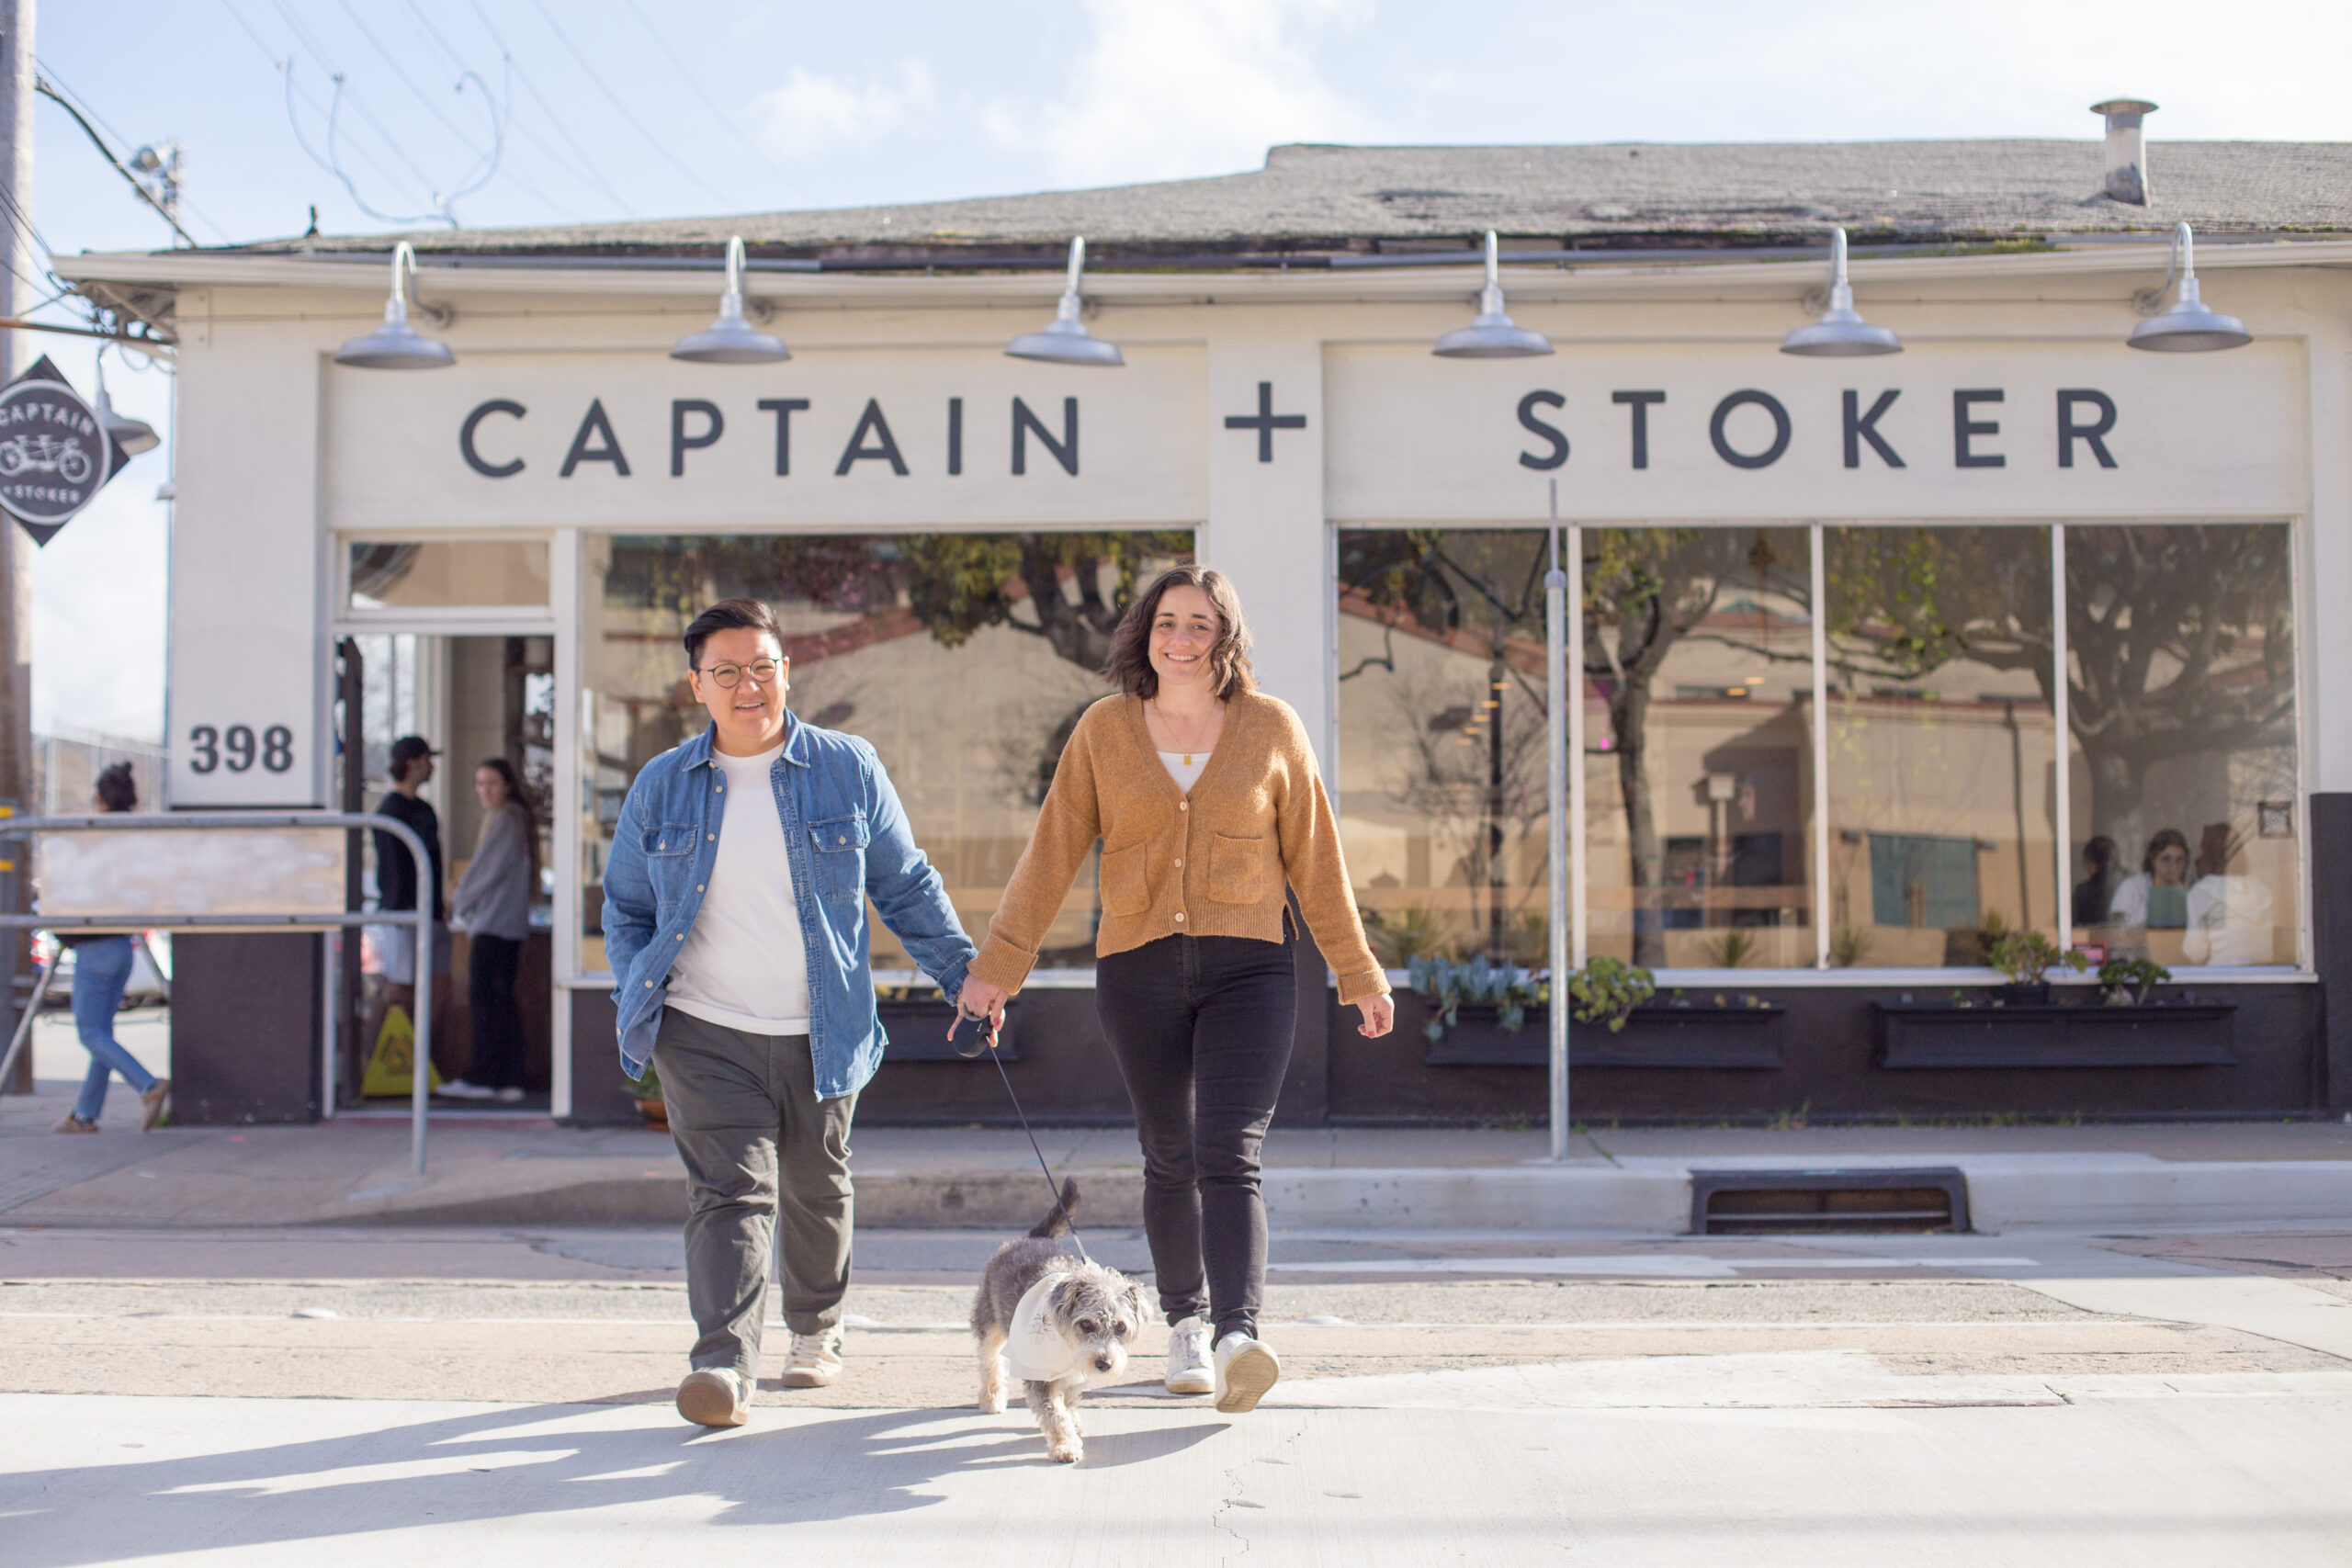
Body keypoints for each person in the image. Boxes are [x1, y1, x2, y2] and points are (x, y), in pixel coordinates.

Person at [958, 565, 1396, 1416]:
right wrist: (997, 968)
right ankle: (1186, 1323)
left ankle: (1238, 1333)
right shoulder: (1103, 731)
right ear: (1144, 634)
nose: (1182, 638)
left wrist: (1358, 970)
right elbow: (1052, 853)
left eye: (1201, 624)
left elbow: (1318, 860)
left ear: (1225, 638)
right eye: (1168, 622)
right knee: (1168, 1153)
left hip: (1253, 970)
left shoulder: (1272, 728)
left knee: (1231, 1152)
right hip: (1139, 970)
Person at [602, 596, 978, 1430]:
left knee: (816, 1185)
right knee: (730, 1192)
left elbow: (904, 883)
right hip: (701, 1029)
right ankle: (722, 1365)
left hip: (824, 1024)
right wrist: (642, 991)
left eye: (763, 667)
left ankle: (815, 1328)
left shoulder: (846, 766)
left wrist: (963, 974)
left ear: (785, 671)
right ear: (695, 684)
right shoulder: (663, 784)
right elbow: (625, 907)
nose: (749, 686)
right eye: (727, 672)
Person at [52, 763, 167, 1134]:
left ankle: (148, 1085)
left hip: (96, 946)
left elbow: (74, 890)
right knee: (102, 1032)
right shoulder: (134, 839)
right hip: (122, 946)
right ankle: (85, 1114)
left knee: (90, 1033)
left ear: (100, 799)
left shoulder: (94, 840)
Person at [447, 758, 537, 1103]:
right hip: (507, 925)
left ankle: (485, 1075)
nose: (485, 791)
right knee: (501, 1002)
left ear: (508, 785)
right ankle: (506, 1078)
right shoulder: (515, 819)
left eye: (492, 783)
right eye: (479, 783)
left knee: (485, 1001)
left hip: (494, 925)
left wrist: (458, 901)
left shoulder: (505, 820)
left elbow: (484, 872)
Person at [369, 735, 454, 1083]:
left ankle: (421, 1062)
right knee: (401, 988)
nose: (432, 766)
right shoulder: (389, 811)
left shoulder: (425, 810)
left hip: (433, 915)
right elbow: (391, 871)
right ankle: (387, 1060)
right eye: (428, 760)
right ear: (414, 762)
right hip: (402, 915)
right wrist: (401, 909)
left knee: (439, 986)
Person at [2184, 821, 2275, 966]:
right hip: (2265, 975)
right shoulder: (2263, 890)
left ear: (2208, 855)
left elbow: (2196, 953)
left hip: (2220, 977)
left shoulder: (2202, 891)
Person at [2109, 828, 2191, 931]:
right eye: (2166, 859)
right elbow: (2118, 934)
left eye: (2179, 860)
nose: (2174, 867)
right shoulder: (2131, 888)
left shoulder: (2188, 893)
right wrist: (2152, 925)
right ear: (2153, 859)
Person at [2071, 836, 2117, 930]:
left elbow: (2068, 922)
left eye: (2086, 862)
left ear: (2093, 865)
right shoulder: (2121, 887)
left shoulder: (2083, 892)